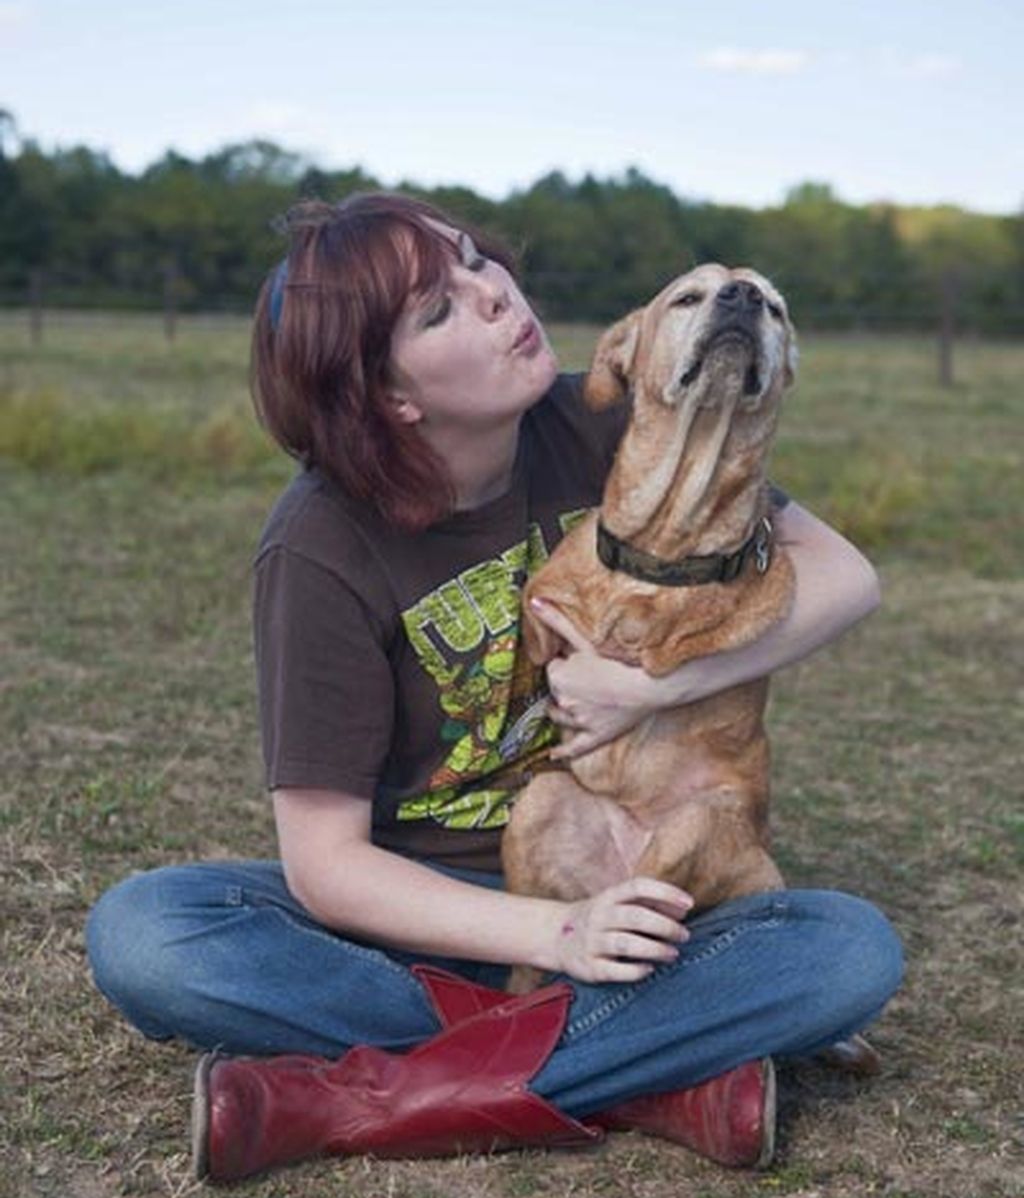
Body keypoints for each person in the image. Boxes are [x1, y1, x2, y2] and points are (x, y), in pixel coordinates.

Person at [86, 192, 903, 1184]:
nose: (491, 294)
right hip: (434, 920)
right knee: (148, 933)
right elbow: (326, 866)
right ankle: (648, 1073)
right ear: (390, 397)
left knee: (848, 950)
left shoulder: (600, 423)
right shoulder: (319, 547)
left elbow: (843, 574)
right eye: (436, 310)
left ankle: (385, 1089)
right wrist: (558, 931)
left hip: (644, 890)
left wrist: (653, 688)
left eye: (474, 260)